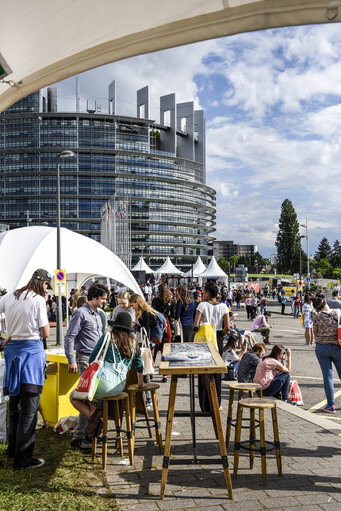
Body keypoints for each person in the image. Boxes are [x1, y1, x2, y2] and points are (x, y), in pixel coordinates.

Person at [0, 268, 51, 470]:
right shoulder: (38, 300)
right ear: (43, 284)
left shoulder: (10, 295)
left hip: (12, 354)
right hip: (31, 355)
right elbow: (45, 332)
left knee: (15, 406)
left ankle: (13, 450)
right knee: (29, 410)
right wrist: (44, 304)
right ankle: (23, 460)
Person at [70, 311, 145, 436]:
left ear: (115, 325)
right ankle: (94, 411)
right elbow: (139, 366)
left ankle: (94, 416)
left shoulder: (107, 336)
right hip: (119, 387)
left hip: (103, 383)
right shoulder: (133, 343)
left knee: (74, 396)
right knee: (91, 394)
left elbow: (92, 359)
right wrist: (141, 383)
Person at [64, 284, 108, 452]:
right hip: (84, 359)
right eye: (103, 298)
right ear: (95, 298)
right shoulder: (81, 313)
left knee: (92, 399)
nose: (105, 301)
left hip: (95, 360)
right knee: (85, 397)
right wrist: (71, 359)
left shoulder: (98, 314)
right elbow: (69, 337)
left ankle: (88, 434)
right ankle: (79, 438)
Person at [193, 281, 229, 411]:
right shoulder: (224, 306)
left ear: (208, 293)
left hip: (206, 339)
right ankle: (216, 403)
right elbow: (227, 327)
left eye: (204, 292)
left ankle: (205, 404)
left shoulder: (202, 305)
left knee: (204, 371)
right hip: (218, 338)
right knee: (216, 371)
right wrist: (220, 335)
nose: (203, 294)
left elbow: (196, 324)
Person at [312, 296, 341, 413]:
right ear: (326, 302)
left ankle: (331, 405)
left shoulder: (317, 317)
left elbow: (315, 332)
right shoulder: (338, 312)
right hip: (337, 347)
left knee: (328, 377)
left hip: (322, 348)